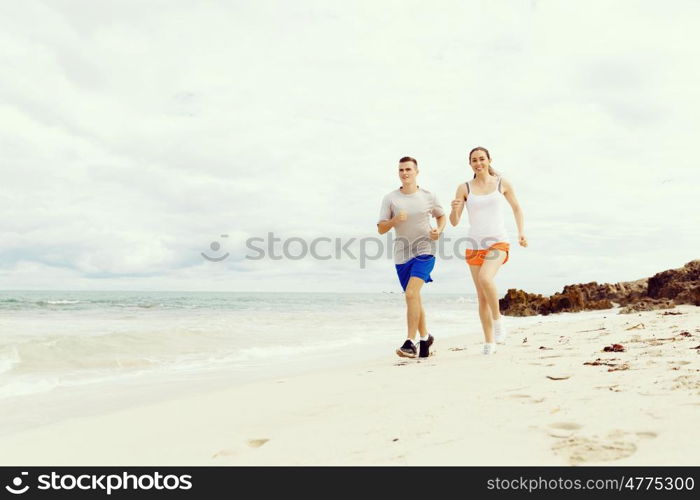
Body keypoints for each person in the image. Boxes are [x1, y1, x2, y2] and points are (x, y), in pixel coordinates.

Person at [449, 147, 527, 355]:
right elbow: (454, 222)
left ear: (489, 160)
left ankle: (498, 320)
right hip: (474, 246)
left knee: (485, 278)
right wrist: (454, 208)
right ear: (470, 164)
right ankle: (489, 342)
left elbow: (517, 208)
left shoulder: (501, 183)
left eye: (482, 159)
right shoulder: (464, 187)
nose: (478, 163)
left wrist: (521, 233)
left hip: (498, 242)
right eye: (474, 160)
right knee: (481, 297)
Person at [378, 157, 446, 358]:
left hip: (425, 249)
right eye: (401, 170)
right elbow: (381, 229)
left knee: (410, 294)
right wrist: (394, 220)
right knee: (413, 296)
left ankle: (409, 342)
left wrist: (438, 230)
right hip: (402, 255)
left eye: (408, 169)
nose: (405, 173)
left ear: (417, 172)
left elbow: (441, 216)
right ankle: (425, 338)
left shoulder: (428, 196)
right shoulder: (390, 199)